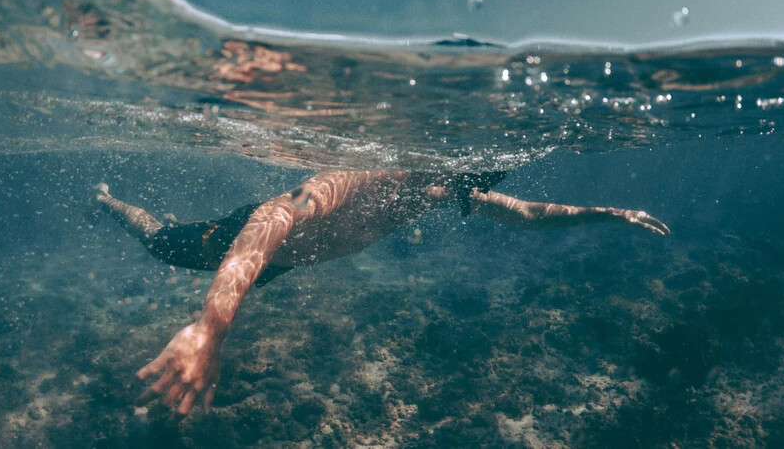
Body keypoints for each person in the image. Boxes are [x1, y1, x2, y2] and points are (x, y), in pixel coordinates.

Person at [92, 170, 670, 417]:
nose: (446, 189)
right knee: (161, 243)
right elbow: (270, 218)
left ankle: (126, 210)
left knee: (176, 247)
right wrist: (210, 328)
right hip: (242, 246)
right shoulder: (347, 184)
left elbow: (523, 214)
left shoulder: (432, 188)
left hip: (280, 266)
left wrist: (610, 212)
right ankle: (114, 204)